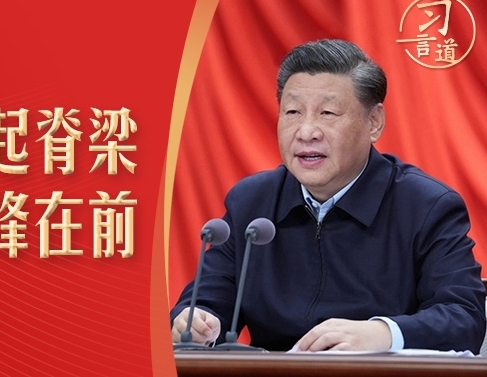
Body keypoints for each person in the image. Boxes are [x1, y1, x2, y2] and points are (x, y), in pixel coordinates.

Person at [170, 39, 486, 353]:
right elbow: (207, 300)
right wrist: (196, 321)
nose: (306, 131)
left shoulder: (426, 206)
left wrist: (383, 333)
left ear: (374, 122)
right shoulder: (251, 203)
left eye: (328, 113)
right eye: (292, 112)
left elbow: (464, 318)